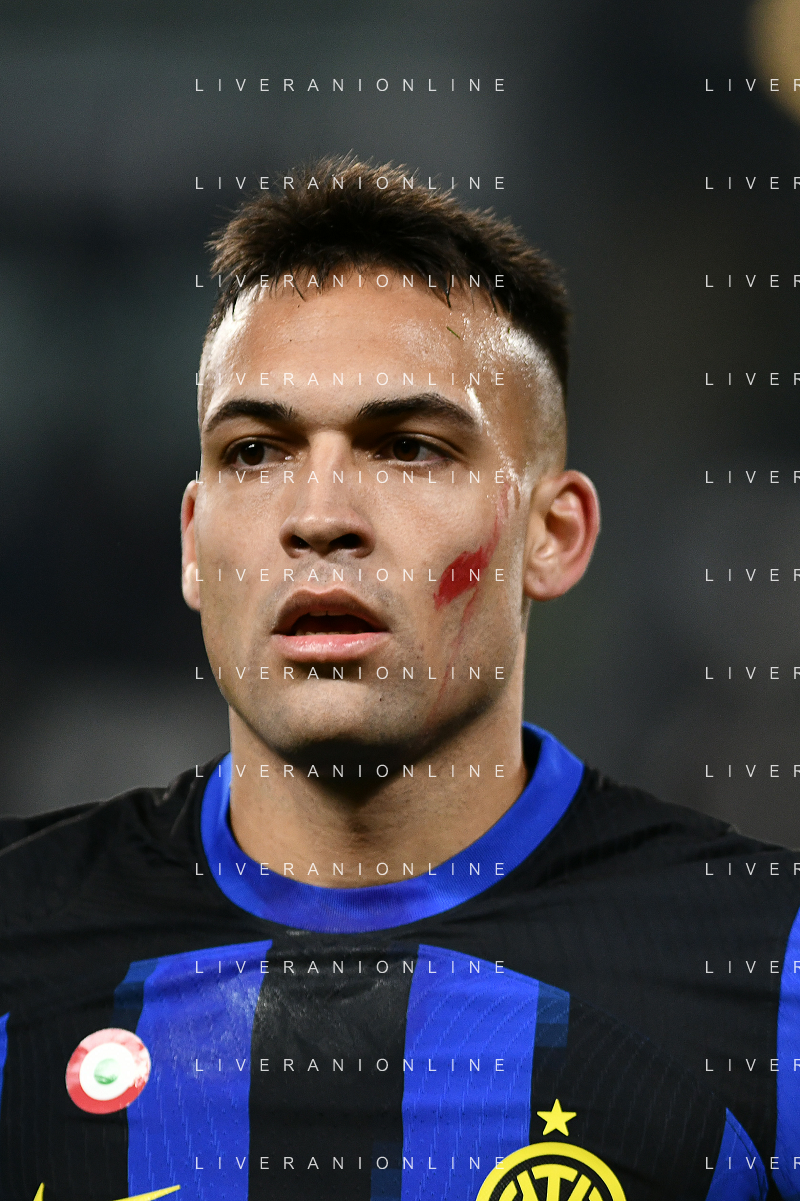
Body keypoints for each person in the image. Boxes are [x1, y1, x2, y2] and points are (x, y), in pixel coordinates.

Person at [0, 157, 795, 1201]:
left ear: (552, 535)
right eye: (256, 451)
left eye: (409, 448)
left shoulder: (766, 970)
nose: (319, 515)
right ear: (194, 542)